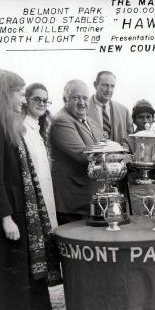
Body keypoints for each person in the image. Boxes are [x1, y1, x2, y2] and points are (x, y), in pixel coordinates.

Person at [0, 70, 60, 310]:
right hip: (8, 214)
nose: (23, 99)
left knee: (23, 272)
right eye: (20, 93)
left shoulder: (6, 124)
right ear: (4, 93)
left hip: (18, 209)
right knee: (9, 276)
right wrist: (6, 217)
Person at [50, 79, 103, 225]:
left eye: (85, 98)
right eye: (76, 98)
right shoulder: (62, 121)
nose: (82, 102)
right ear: (65, 99)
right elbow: (83, 155)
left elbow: (104, 145)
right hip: (73, 204)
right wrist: (117, 155)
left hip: (91, 200)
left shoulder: (91, 121)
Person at [22, 83, 58, 230]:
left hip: (46, 197)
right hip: (32, 200)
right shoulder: (21, 130)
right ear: (26, 100)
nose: (42, 104)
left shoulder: (38, 130)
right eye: (37, 99)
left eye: (45, 100)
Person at [124, 99, 155, 215]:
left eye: (148, 117)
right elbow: (127, 165)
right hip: (137, 188)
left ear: (153, 119)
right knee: (139, 224)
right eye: (141, 117)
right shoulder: (128, 140)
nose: (145, 121)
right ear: (134, 120)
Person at [87, 71, 133, 143]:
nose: (109, 90)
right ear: (95, 85)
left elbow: (130, 139)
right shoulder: (83, 109)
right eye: (105, 85)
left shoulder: (124, 111)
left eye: (112, 86)